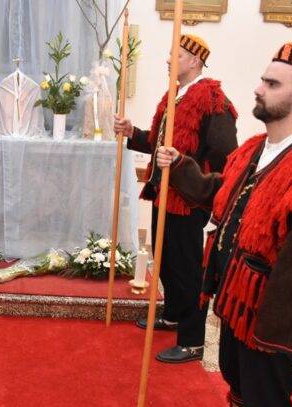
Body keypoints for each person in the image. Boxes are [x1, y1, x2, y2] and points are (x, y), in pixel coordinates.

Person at [155, 43, 292, 407]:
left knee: (268, 400)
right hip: (235, 296)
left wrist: (273, 338)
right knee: (233, 370)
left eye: (272, 84)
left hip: (268, 316)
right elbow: (219, 191)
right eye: (263, 79)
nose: (258, 88)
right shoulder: (256, 148)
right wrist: (181, 164)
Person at [114, 34, 238, 363]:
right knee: (165, 260)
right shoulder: (176, 96)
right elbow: (160, 145)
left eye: (177, 55)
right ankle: (173, 315)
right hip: (164, 194)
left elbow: (225, 158)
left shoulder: (213, 101)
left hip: (188, 200)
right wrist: (133, 133)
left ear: (195, 61)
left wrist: (192, 176)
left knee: (187, 270)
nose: (169, 60)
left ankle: (193, 340)